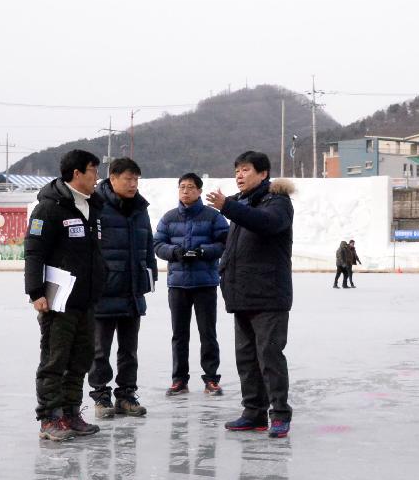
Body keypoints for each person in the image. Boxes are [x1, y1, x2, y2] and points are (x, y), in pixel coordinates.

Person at [205, 151, 295, 439]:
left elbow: (266, 224)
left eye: (245, 170)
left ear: (263, 173)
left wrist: (228, 206)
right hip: (241, 294)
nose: (239, 175)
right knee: (246, 358)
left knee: (269, 356)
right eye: (237, 171)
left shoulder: (277, 202)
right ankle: (253, 412)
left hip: (269, 295)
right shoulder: (242, 203)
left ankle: (279, 414)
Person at [25, 149, 104, 442]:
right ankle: (49, 417)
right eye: (93, 171)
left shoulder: (93, 206)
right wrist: (35, 292)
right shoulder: (49, 208)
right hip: (58, 300)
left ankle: (71, 412)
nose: (97, 177)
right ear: (77, 174)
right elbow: (34, 251)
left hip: (86, 297)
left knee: (81, 358)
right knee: (55, 358)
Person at [88, 157, 157, 419]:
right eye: (127, 179)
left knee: (129, 349)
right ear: (112, 178)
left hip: (132, 290)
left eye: (136, 179)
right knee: (100, 349)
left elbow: (148, 243)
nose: (132, 184)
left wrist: (148, 276)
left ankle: (126, 395)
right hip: (105, 290)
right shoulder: (97, 205)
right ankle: (101, 395)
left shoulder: (140, 208)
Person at [154, 172, 230, 397]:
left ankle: (211, 379)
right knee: (179, 334)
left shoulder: (213, 217)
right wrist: (175, 252)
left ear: (199, 191)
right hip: (177, 285)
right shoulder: (168, 218)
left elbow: (225, 242)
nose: (185, 191)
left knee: (208, 333)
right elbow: (157, 244)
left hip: (205, 283)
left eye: (190, 187)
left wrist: (203, 251)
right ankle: (179, 379)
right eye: (182, 187)